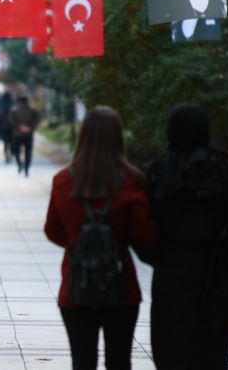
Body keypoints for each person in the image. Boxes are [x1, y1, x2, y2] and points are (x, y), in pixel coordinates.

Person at [44, 106, 157, 370]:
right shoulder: (132, 182)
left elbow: (52, 231)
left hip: (75, 285)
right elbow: (146, 237)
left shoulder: (63, 181)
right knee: (119, 361)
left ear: (83, 136)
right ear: (119, 138)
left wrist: (79, 245)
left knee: (82, 361)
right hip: (120, 286)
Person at [146, 104, 228, 370]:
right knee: (213, 354)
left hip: (172, 276)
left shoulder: (160, 171)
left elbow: (144, 225)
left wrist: (157, 255)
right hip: (219, 273)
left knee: (172, 353)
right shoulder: (226, 169)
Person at [9, 96, 39, 177]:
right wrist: (30, 128)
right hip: (28, 134)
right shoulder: (33, 111)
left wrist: (19, 127)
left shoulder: (14, 110)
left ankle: (19, 164)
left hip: (17, 134)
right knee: (28, 152)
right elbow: (37, 120)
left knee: (17, 151)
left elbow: (11, 121)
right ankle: (26, 168)